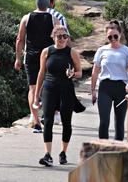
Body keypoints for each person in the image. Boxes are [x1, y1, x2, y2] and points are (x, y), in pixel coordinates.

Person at [33, 25, 82, 166]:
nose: (62, 39)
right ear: (53, 37)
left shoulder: (72, 52)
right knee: (47, 121)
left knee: (66, 122)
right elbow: (41, 73)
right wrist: (37, 95)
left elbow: (79, 72)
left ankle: (63, 152)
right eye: (59, 36)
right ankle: (47, 154)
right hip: (49, 88)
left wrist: (73, 74)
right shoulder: (47, 51)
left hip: (66, 89)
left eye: (65, 36)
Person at [15, 0, 60, 133]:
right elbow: (59, 40)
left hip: (31, 57)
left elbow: (20, 39)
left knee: (33, 89)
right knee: (48, 88)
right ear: (48, 4)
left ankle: (35, 121)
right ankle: (47, 118)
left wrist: (17, 58)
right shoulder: (53, 19)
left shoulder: (26, 18)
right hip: (48, 57)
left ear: (36, 3)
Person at [90, 20, 128, 141]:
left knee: (119, 123)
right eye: (110, 37)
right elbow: (95, 72)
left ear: (120, 35)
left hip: (121, 88)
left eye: (115, 36)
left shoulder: (127, 51)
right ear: (106, 37)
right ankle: (103, 149)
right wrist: (93, 91)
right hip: (105, 87)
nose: (113, 39)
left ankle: (118, 151)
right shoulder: (101, 51)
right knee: (104, 121)